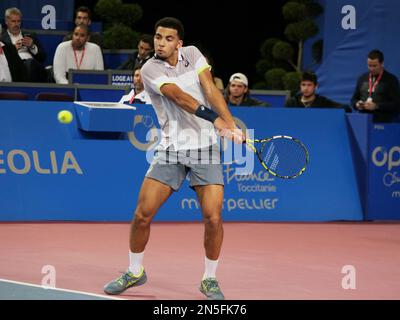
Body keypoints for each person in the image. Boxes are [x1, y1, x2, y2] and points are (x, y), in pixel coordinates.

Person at [103, 17, 244, 300]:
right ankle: (134, 272)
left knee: (213, 218)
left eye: (168, 39)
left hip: (206, 149)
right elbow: (178, 97)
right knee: (142, 215)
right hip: (171, 149)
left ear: (179, 43)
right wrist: (216, 120)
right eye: (158, 37)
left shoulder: (193, 54)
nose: (160, 42)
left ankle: (209, 279)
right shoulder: (150, 68)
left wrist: (229, 123)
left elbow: (210, 89)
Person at [351, 49, 400, 122]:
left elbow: (397, 104)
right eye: (369, 65)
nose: (371, 69)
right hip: (363, 121)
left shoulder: (391, 80)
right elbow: (353, 99)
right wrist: (357, 104)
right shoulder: (362, 78)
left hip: (383, 122)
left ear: (382, 63)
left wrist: (377, 106)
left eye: (374, 66)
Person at [1, 7, 46, 82]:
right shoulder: (2, 38)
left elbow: (42, 57)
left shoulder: (30, 35)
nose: (16, 24)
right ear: (6, 21)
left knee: (30, 63)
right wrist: (13, 51)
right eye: (13, 21)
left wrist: (32, 46)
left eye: (18, 21)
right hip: (13, 68)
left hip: (32, 66)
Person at [286, 71, 351, 112]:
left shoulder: (323, 102)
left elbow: (346, 108)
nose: (306, 88)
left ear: (316, 86)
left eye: (309, 85)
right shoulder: (292, 102)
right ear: (300, 86)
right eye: (303, 85)